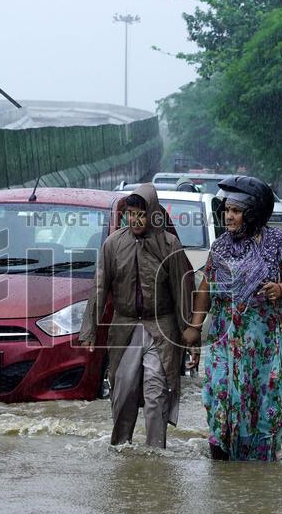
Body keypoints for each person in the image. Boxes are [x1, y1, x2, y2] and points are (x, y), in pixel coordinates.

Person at [188, 175, 282, 461]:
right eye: (227, 209)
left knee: (265, 403)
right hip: (225, 340)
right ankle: (221, 455)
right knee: (218, 393)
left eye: (236, 211)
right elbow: (207, 286)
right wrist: (194, 328)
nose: (228, 216)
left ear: (252, 214)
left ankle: (260, 468)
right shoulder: (220, 247)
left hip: (268, 343)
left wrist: (280, 289)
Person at [79, 184, 197, 448]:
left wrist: (190, 333)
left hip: (161, 327)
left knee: (156, 392)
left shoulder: (169, 245)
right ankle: (121, 448)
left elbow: (183, 290)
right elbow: (99, 289)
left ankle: (156, 454)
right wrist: (88, 331)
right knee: (123, 391)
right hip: (125, 326)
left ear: (153, 214)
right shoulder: (113, 245)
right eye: (130, 214)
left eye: (141, 214)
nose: (135, 220)